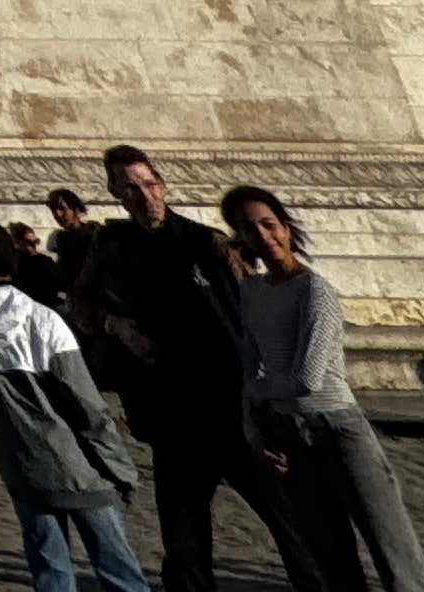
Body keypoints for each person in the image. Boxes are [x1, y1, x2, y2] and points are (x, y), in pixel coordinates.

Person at [77, 147, 316, 592]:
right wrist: (116, 325)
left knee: (288, 522)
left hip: (229, 406)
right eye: (131, 188)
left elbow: (250, 318)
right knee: (183, 540)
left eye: (150, 184)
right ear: (115, 193)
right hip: (169, 412)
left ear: (163, 186)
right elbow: (81, 304)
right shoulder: (110, 246)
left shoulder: (206, 243)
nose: (145, 196)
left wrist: (268, 405)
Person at [226, 186, 424, 592]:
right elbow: (250, 366)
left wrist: (256, 392)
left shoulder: (314, 290)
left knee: (395, 556)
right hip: (288, 436)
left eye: (269, 224)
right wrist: (255, 434)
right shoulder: (251, 292)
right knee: (329, 558)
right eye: (249, 228)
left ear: (286, 227)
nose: (263, 236)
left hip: (338, 428)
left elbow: (307, 379)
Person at [0, 219, 152, 592]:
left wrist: (1, 453)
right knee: (118, 572)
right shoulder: (43, 320)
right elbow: (86, 405)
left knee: (49, 569)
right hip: (79, 467)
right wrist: (119, 469)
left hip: (22, 465)